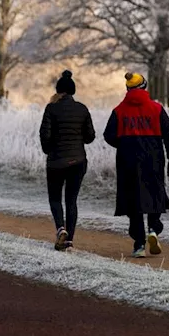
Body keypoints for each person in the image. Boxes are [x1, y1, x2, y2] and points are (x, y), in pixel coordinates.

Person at [103, 72, 169, 258]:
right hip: (154, 157)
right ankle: (153, 228)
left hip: (128, 160)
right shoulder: (157, 108)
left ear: (128, 89)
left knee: (133, 200)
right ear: (144, 87)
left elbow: (108, 135)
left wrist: (124, 144)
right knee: (154, 193)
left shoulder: (119, 110)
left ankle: (139, 245)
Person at [39, 70, 95, 251]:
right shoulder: (82, 109)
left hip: (56, 162)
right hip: (78, 161)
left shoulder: (51, 108)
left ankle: (60, 229)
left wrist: (49, 150)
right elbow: (90, 136)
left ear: (58, 91)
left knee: (55, 199)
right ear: (73, 91)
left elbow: (44, 135)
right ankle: (69, 239)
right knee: (71, 200)